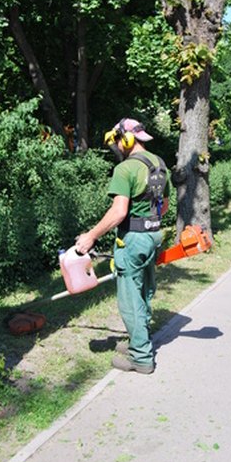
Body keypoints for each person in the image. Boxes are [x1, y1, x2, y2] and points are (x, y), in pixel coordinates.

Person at [75, 118, 170, 374]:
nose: (116, 148)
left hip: (133, 240)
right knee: (144, 292)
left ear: (125, 140)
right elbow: (165, 206)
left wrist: (91, 236)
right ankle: (140, 341)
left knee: (130, 299)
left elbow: (118, 212)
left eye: (117, 142)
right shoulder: (160, 164)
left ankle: (140, 358)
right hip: (153, 237)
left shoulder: (126, 169)